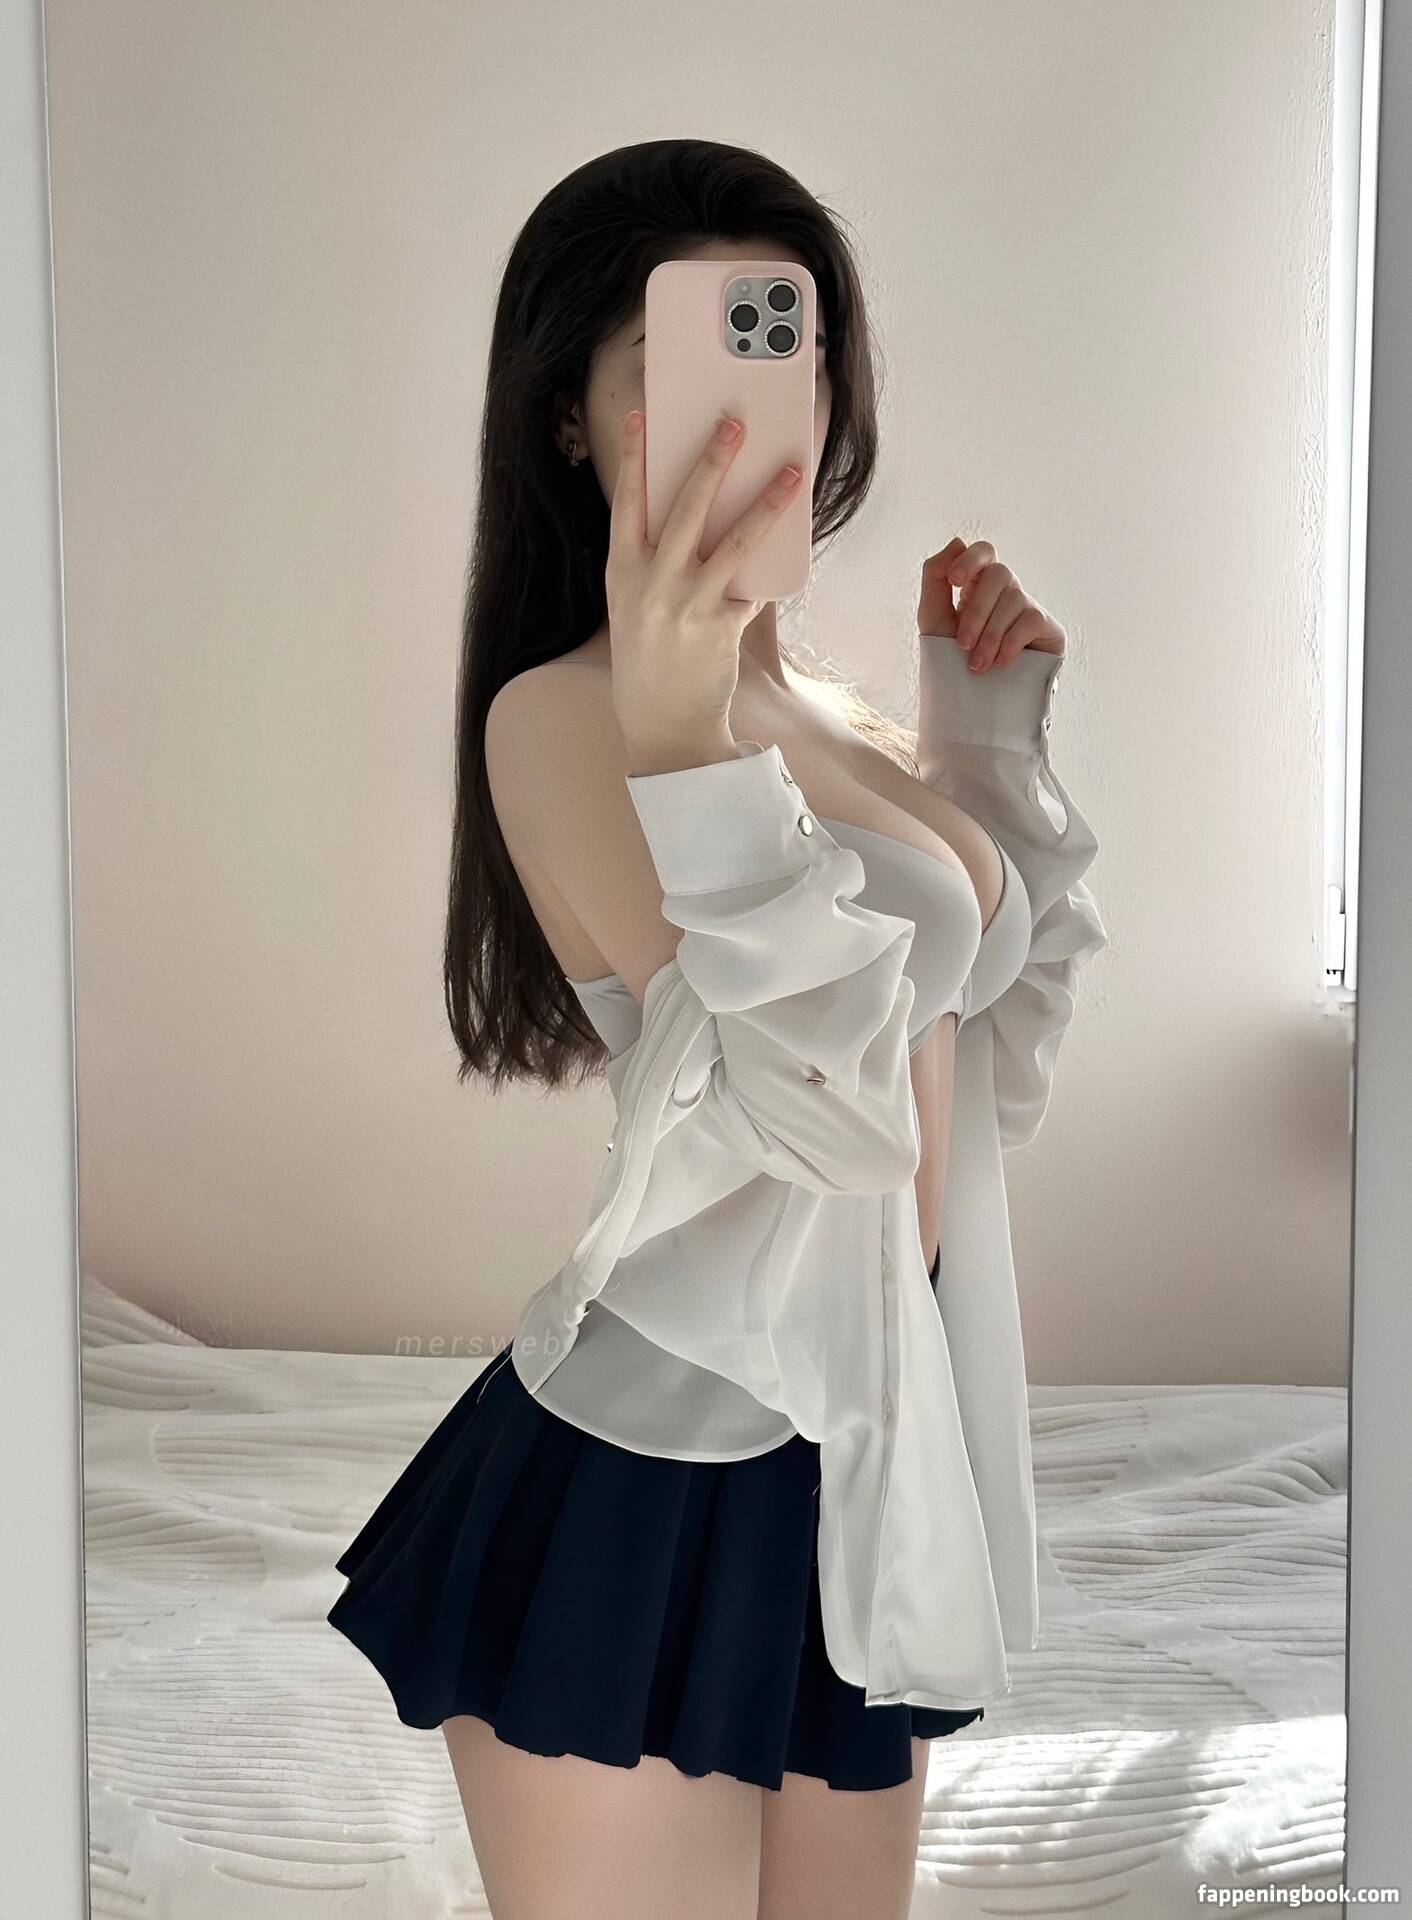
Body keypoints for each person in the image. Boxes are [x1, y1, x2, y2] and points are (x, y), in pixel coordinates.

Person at [327, 138, 1106, 1920]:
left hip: (864, 1456)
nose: (762, 418)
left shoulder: (825, 714)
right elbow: (823, 1122)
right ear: (572, 419)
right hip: (652, 1473)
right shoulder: (565, 718)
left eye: (794, 350)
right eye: (687, 366)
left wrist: (982, 745)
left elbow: (978, 1077)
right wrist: (684, 742)